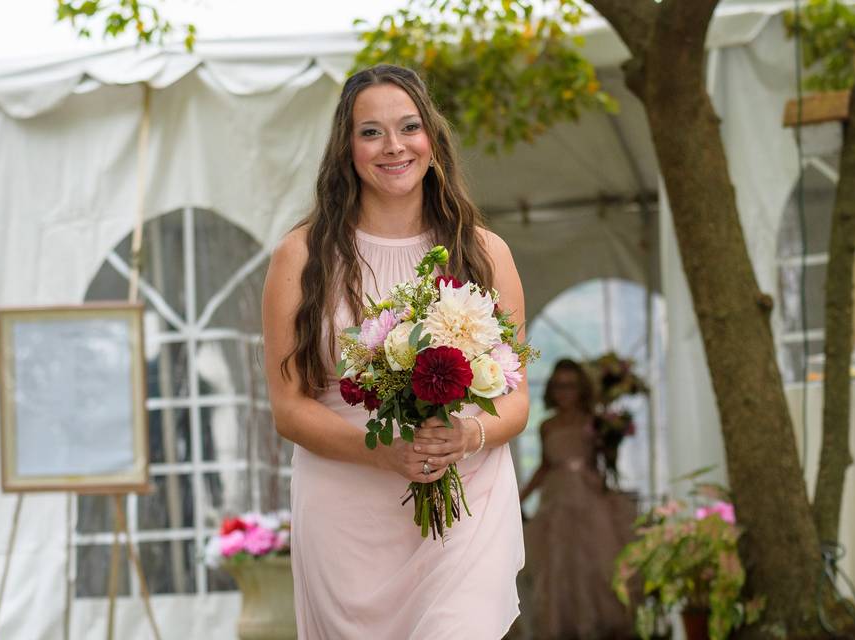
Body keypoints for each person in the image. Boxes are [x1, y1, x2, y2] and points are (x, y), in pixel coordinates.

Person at [261, 64, 529, 639]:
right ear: (346, 149)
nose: (393, 146)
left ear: (432, 138)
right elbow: (288, 407)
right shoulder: (301, 256)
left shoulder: (483, 252)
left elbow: (516, 397)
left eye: (408, 127)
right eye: (371, 132)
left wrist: (466, 436)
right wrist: (381, 452)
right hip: (346, 510)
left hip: (465, 497)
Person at [519, 359, 637, 639]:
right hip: (556, 497)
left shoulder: (594, 420)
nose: (564, 392)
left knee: (596, 564)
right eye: (559, 385)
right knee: (558, 565)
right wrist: (519, 496)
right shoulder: (547, 425)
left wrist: (611, 438)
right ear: (551, 388)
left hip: (588, 496)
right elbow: (545, 465)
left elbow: (605, 462)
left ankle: (598, 627)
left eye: (570, 385)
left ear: (581, 388)